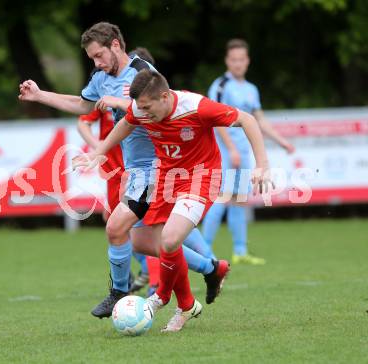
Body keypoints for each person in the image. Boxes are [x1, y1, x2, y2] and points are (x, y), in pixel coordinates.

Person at [19, 22, 227, 319]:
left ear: (116, 45)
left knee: (118, 228)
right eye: (92, 58)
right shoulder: (100, 77)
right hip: (135, 169)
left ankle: (121, 292)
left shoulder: (143, 71)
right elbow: (82, 105)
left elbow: (160, 101)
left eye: (99, 55)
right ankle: (210, 270)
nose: (97, 62)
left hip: (158, 167)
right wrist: (41, 96)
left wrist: (120, 103)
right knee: (148, 242)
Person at [74, 69, 272, 332]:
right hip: (167, 178)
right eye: (139, 108)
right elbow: (125, 124)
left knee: (169, 239)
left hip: (201, 177)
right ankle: (192, 299)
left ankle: (161, 298)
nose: (142, 113)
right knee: (144, 242)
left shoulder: (197, 107)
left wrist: (262, 164)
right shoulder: (141, 108)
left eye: (147, 107)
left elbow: (247, 119)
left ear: (165, 97)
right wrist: (98, 152)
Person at [201, 39, 295, 265]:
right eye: (233, 60)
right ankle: (203, 249)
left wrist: (281, 141)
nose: (237, 64)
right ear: (227, 61)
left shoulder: (251, 89)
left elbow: (259, 119)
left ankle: (240, 251)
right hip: (225, 152)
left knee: (239, 199)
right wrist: (231, 148)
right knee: (221, 198)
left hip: (244, 152)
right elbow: (216, 119)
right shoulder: (221, 85)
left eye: (241, 59)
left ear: (247, 61)